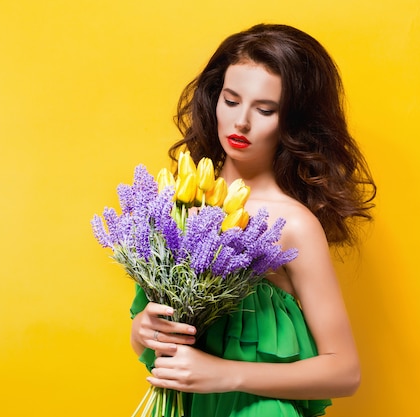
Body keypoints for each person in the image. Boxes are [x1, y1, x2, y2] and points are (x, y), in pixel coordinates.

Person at [129, 23, 376, 416]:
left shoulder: (292, 224)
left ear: (292, 122)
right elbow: (162, 338)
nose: (241, 122)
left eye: (265, 110)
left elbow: (345, 371)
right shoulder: (176, 202)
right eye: (230, 100)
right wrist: (142, 330)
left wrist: (226, 374)